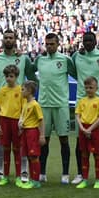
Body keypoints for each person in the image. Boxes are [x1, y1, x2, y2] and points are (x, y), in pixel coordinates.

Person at [25, 32, 76, 183]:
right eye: (47, 44)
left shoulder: (65, 60)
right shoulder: (40, 59)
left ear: (58, 44)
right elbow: (30, 71)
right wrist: (36, 82)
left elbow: (77, 75)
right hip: (44, 105)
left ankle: (65, 174)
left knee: (64, 140)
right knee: (43, 140)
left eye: (52, 44)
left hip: (61, 105)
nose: (49, 46)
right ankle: (42, 173)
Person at [73, 30, 99, 186]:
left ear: (96, 42)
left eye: (90, 40)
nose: (87, 43)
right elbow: (73, 72)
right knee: (80, 140)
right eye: (85, 40)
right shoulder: (77, 56)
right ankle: (80, 173)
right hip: (81, 102)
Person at [0, 29, 30, 181]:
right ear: (2, 39)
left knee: (19, 144)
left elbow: (31, 77)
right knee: (1, 143)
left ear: (15, 39)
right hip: (2, 106)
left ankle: (22, 173)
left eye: (10, 37)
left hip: (18, 107)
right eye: (5, 37)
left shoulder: (23, 58)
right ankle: (1, 173)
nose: (8, 40)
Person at [74, 75, 99, 189]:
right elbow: (77, 115)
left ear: (96, 88)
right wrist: (82, 128)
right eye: (86, 87)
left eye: (91, 87)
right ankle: (85, 179)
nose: (88, 90)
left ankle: (98, 179)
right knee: (84, 155)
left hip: (94, 130)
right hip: (83, 129)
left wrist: (90, 129)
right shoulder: (81, 101)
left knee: (97, 155)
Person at [0, 64, 24, 186]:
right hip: (4, 121)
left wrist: (21, 123)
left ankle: (19, 176)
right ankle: (5, 176)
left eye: (11, 76)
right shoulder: (2, 90)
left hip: (16, 122)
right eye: (7, 76)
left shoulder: (20, 90)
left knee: (17, 150)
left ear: (16, 77)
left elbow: (24, 108)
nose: (8, 78)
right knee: (5, 150)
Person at [15, 80, 43, 189]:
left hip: (32, 132)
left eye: (23, 89)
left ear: (30, 91)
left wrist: (41, 135)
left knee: (34, 156)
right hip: (25, 132)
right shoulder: (26, 104)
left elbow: (41, 120)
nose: (21, 92)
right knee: (28, 156)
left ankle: (36, 181)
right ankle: (32, 179)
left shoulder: (35, 105)